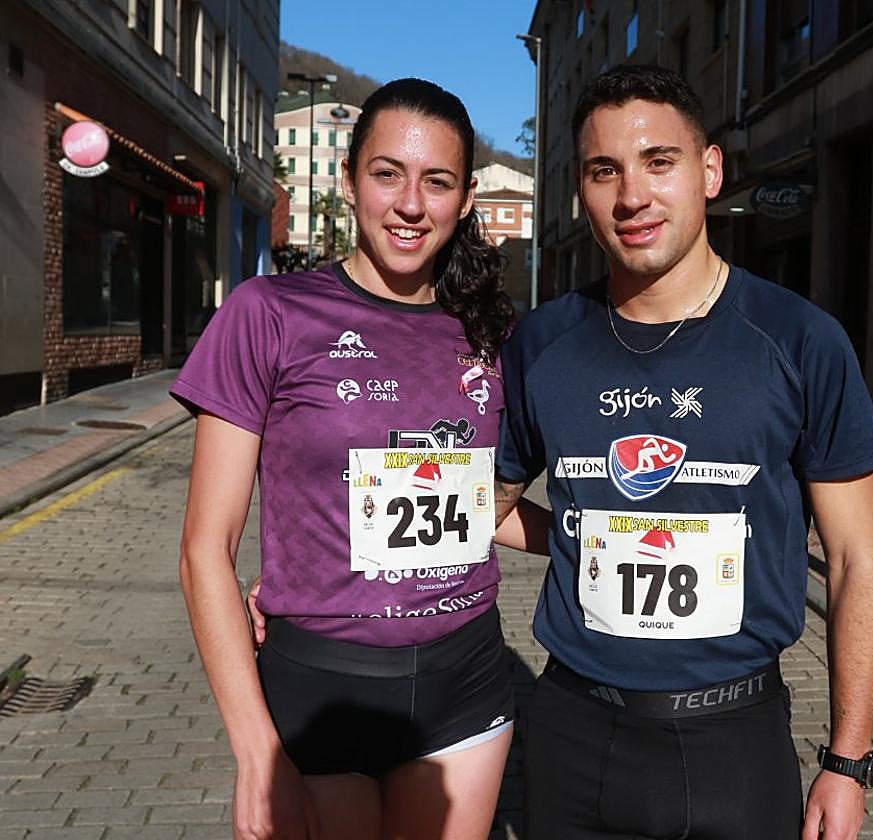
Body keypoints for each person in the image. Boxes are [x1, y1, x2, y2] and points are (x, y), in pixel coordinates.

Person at [493, 65, 873, 840]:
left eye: (658, 162)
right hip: (572, 732)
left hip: (733, 742)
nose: (632, 195)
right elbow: (483, 508)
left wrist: (848, 763)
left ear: (709, 171)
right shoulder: (542, 343)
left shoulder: (801, 340)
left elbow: (856, 562)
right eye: (604, 170)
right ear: (581, 190)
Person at [175, 78, 547, 840]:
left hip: (467, 685)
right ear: (348, 181)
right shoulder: (268, 313)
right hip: (320, 692)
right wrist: (256, 754)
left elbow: (480, 507)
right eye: (387, 174)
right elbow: (204, 550)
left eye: (436, 182)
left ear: (466, 199)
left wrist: (594, 539)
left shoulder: (492, 332)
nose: (410, 204)